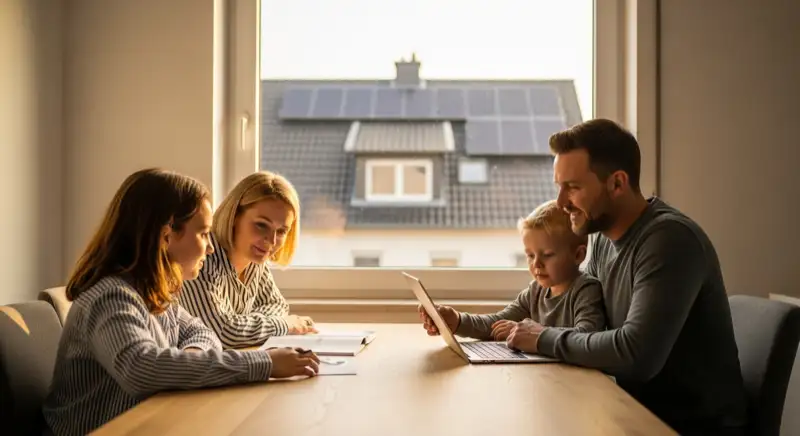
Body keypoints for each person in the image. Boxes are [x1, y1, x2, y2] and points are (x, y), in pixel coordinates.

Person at [504, 119, 748, 435]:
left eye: (573, 187)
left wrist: (541, 338)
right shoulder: (604, 239)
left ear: (617, 184)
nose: (562, 203)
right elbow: (584, 321)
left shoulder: (669, 240)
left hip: (688, 427)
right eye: (559, 187)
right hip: (632, 413)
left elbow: (636, 355)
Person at [42, 168, 320, 436]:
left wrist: (189, 361)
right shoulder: (111, 296)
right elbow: (142, 368)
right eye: (202, 234)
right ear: (166, 236)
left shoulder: (158, 294)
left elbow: (203, 333)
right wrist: (264, 363)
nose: (210, 246)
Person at [419, 199, 606, 341]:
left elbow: (587, 336)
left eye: (547, 255)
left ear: (578, 255)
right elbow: (497, 322)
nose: (536, 264)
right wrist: (458, 321)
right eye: (530, 256)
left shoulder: (586, 290)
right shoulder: (535, 291)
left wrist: (530, 332)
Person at [179, 171, 316, 349]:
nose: (271, 241)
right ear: (235, 216)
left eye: (281, 231)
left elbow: (277, 304)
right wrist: (285, 324)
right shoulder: (200, 259)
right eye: (261, 225)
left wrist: (243, 324)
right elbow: (223, 334)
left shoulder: (255, 260)